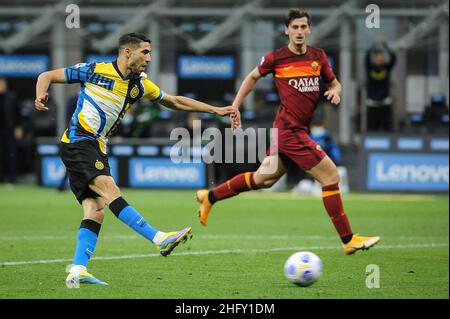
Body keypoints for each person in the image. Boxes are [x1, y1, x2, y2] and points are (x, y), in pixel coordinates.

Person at [35, 32, 234, 287]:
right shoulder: (95, 70)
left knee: (95, 210)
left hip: (96, 145)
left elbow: (173, 101)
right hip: (79, 140)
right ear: (127, 52)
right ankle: (159, 238)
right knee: (110, 189)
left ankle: (77, 270)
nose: (149, 58)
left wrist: (214, 109)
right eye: (145, 52)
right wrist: (41, 95)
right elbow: (47, 76)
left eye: (150, 53)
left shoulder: (139, 85)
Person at [196, 8, 380, 255]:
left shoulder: (319, 57)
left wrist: (336, 90)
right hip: (289, 131)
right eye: (295, 27)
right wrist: (235, 107)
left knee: (264, 178)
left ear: (309, 29)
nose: (300, 32)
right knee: (331, 177)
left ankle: (209, 197)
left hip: (292, 129)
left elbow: (335, 83)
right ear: (287, 30)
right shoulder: (276, 58)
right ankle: (348, 239)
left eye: (304, 27)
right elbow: (251, 78)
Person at [365, 37, 396, 131]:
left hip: (385, 103)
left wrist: (385, 45)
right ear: (374, 58)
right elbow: (366, 56)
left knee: (387, 127)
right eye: (377, 56)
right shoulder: (370, 67)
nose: (379, 58)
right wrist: (374, 44)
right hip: (372, 103)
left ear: (383, 58)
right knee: (371, 128)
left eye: (381, 56)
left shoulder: (387, 67)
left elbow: (394, 58)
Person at [0, 78, 23, 185]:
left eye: (2, 83)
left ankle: (11, 178)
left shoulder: (12, 97)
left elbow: (18, 114)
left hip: (9, 130)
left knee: (11, 154)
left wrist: (18, 128)